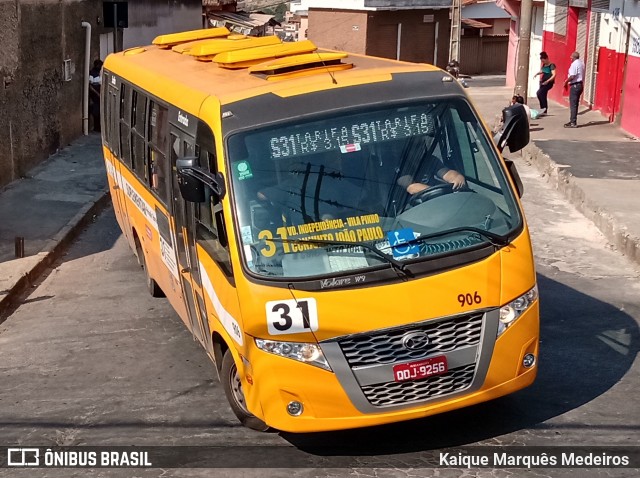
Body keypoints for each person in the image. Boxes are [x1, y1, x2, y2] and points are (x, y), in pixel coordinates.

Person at [563, 51, 585, 128]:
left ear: (573, 57)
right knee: (575, 104)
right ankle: (573, 120)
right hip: (580, 85)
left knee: (573, 105)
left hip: (575, 85)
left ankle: (573, 122)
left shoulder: (574, 64)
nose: (570, 58)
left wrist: (566, 81)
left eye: (571, 57)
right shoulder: (581, 63)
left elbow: (572, 76)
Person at [89, 59, 103, 132]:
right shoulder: (92, 73)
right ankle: (96, 127)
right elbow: (90, 86)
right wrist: (97, 94)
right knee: (96, 112)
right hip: (95, 97)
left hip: (100, 95)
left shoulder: (100, 73)